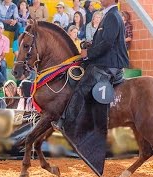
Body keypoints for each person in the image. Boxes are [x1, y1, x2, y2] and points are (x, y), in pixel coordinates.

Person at [52, 0, 129, 167]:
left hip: (110, 63)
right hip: (104, 59)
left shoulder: (113, 16)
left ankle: (66, 122)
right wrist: (90, 46)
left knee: (82, 87)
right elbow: (103, 41)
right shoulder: (108, 15)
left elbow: (108, 43)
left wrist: (88, 53)